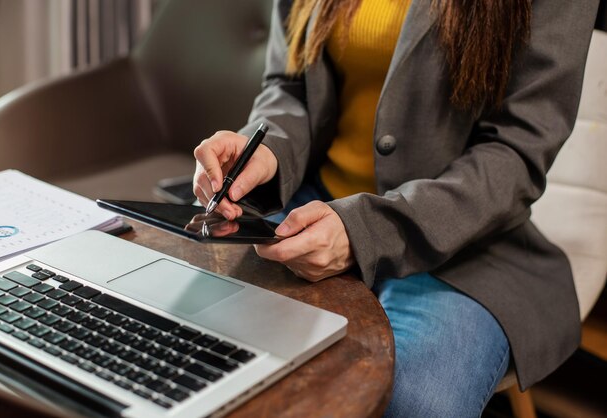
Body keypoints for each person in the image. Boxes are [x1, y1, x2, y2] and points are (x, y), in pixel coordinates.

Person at [192, 0, 599, 416]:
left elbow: (516, 153)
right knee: (192, 332)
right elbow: (291, 85)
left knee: (410, 404)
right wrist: (268, 151)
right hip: (311, 206)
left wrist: (366, 231)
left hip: (464, 245)